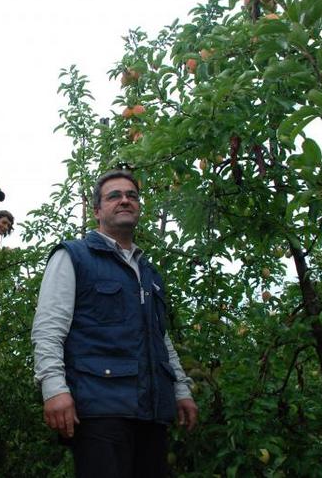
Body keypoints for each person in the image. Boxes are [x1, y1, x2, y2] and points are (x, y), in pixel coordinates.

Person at [31, 170, 198, 478]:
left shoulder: (149, 272)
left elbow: (160, 339)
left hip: (151, 412)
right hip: (99, 409)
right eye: (114, 196)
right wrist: (54, 390)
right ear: (97, 210)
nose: (125, 200)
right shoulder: (73, 256)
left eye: (132, 196)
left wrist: (181, 390)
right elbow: (48, 328)